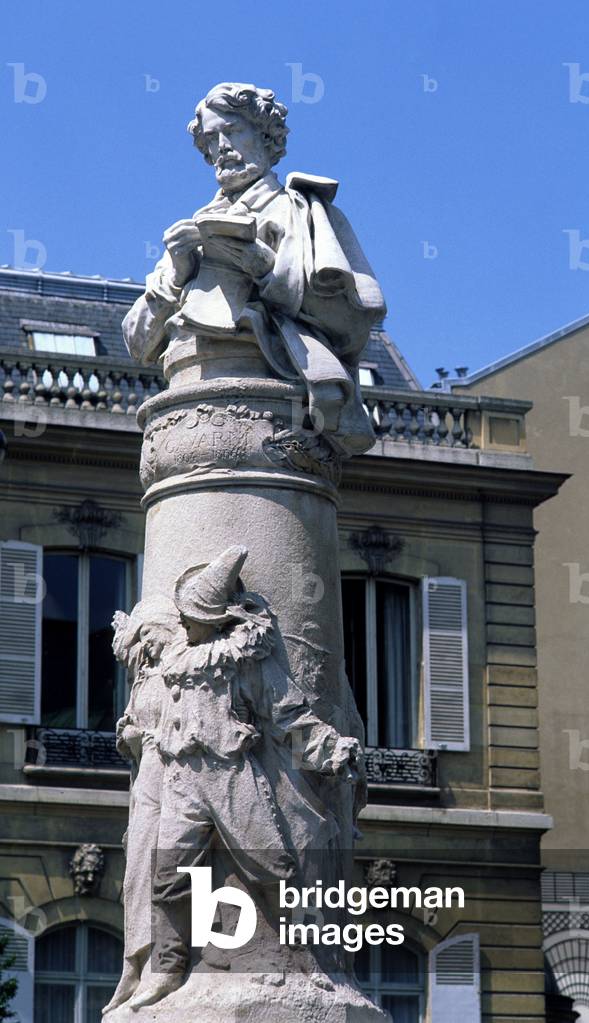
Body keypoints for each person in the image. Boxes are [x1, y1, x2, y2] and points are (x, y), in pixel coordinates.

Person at [128, 546, 362, 1009]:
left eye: (192, 614)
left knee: (276, 869)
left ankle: (308, 958)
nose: (184, 620)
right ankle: (168, 968)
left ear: (215, 619)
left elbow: (288, 717)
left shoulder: (246, 659)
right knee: (167, 878)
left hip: (233, 778)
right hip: (182, 781)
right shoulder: (176, 657)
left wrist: (332, 750)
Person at [122, 82, 386, 457]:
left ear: (264, 134)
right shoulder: (196, 229)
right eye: (211, 139)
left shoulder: (305, 214)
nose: (222, 149)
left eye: (232, 131)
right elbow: (135, 341)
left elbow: (350, 325)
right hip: (184, 410)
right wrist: (179, 274)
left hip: (271, 408)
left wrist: (265, 270)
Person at [102, 599, 179, 1015]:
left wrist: (149, 738)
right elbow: (131, 726)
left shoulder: (178, 678)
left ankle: (161, 965)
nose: (145, 644)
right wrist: (130, 732)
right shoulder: (145, 680)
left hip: (170, 778)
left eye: (150, 635)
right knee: (136, 874)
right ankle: (134, 963)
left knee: (165, 868)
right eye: (142, 636)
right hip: (146, 779)